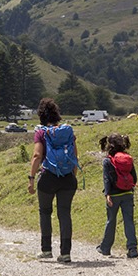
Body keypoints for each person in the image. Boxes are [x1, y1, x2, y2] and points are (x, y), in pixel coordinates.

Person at [28, 97, 79, 263]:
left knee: (45, 212)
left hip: (48, 178)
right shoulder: (67, 132)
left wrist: (31, 178)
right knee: (64, 213)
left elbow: (37, 155)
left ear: (41, 115)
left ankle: (46, 250)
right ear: (57, 114)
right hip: (67, 178)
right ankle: (65, 253)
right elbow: (75, 156)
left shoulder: (41, 132)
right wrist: (72, 175)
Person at [96, 133, 138, 258]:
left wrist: (107, 194)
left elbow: (107, 179)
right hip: (128, 193)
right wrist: (129, 187)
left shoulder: (108, 161)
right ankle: (132, 249)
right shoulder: (128, 158)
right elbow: (134, 178)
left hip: (114, 195)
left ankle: (105, 248)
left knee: (111, 220)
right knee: (129, 221)